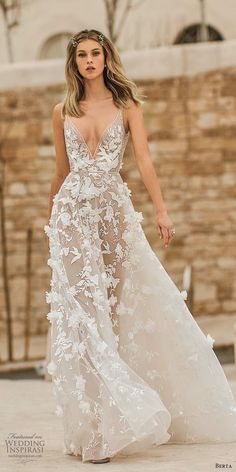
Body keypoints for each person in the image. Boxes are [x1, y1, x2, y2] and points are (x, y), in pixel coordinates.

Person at [44, 29, 236, 464]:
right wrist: (51, 219)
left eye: (96, 53)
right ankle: (97, 428)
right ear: (73, 63)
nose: (89, 61)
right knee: (81, 314)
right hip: (73, 215)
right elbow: (60, 171)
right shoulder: (62, 111)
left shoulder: (127, 105)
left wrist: (161, 211)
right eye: (82, 56)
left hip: (112, 212)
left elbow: (144, 159)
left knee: (113, 309)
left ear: (107, 58)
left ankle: (122, 416)